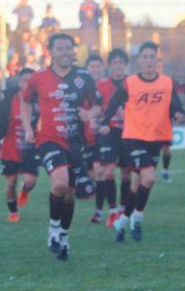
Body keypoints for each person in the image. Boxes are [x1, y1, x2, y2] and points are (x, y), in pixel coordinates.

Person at [20, 33, 101, 261]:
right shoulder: (39, 77)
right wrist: (28, 128)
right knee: (60, 183)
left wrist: (89, 113)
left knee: (69, 195)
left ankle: (64, 238)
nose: (66, 52)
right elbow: (25, 100)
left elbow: (98, 105)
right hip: (48, 139)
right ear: (51, 52)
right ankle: (53, 230)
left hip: (75, 142)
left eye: (69, 48)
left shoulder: (83, 77)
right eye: (61, 48)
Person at [100, 41, 185, 242]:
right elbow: (113, 102)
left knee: (139, 182)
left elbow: (176, 107)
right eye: (144, 57)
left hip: (156, 138)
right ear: (139, 61)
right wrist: (105, 122)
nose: (148, 60)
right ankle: (137, 217)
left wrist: (179, 114)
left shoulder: (166, 82)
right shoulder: (130, 83)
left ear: (157, 60)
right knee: (149, 177)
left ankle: (122, 221)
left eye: (151, 57)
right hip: (133, 137)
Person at [0, 69, 38, 222]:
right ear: (20, 82)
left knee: (30, 180)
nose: (28, 83)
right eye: (25, 80)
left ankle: (25, 190)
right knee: (10, 182)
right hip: (10, 148)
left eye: (31, 80)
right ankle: (13, 212)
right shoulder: (8, 102)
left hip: (31, 148)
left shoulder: (41, 100)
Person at [95, 48, 131, 227]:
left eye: (121, 63)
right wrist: (97, 121)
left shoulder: (133, 83)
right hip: (108, 133)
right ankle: (113, 211)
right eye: (115, 63)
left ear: (126, 66)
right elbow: (94, 105)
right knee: (108, 171)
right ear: (110, 66)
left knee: (126, 174)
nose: (118, 66)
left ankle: (124, 208)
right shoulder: (101, 85)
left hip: (128, 133)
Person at [84, 54, 106, 223]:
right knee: (92, 174)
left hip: (103, 136)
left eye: (98, 66)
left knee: (100, 172)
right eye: (92, 66)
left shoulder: (107, 87)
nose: (95, 69)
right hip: (84, 137)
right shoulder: (81, 88)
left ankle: (100, 211)